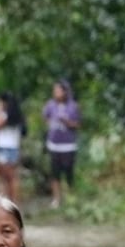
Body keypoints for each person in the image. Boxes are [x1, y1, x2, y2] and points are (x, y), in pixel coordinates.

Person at [42, 80, 80, 209]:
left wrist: (67, 122)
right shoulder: (50, 105)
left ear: (65, 92)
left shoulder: (73, 106)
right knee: (55, 173)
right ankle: (56, 199)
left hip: (68, 145)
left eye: (58, 90)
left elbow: (78, 124)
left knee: (69, 173)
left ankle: (71, 198)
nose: (55, 93)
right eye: (54, 90)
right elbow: (45, 118)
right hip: (54, 145)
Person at [0, 92, 25, 203]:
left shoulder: (4, 115)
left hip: (4, 147)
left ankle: (10, 199)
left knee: (7, 177)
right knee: (12, 176)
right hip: (14, 146)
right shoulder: (18, 116)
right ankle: (13, 199)